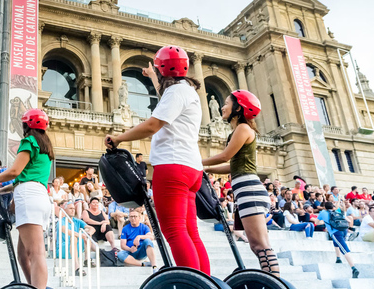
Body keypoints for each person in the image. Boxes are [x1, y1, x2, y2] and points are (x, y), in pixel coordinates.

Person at [105, 45, 210, 273]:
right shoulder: (186, 90)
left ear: (164, 70)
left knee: (173, 230)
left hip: (173, 167)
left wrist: (120, 138)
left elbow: (153, 125)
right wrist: (154, 76)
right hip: (192, 169)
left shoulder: (176, 92)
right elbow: (167, 100)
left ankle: (194, 284)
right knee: (190, 231)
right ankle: (205, 281)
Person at [203, 89, 282, 276]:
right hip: (245, 188)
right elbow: (233, 165)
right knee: (256, 246)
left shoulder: (243, 129)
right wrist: (206, 169)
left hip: (249, 190)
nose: (223, 107)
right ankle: (273, 283)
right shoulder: (240, 131)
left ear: (238, 108)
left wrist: (197, 162)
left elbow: (225, 156)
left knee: (260, 245)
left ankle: (276, 285)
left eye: (227, 103)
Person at [0, 109, 54, 289]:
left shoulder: (29, 141)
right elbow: (22, 179)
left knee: (36, 253)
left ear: (26, 125)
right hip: (40, 197)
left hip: (29, 197)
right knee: (23, 255)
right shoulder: (45, 146)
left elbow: (15, 171)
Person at [319, 201, 360, 278]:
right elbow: (348, 220)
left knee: (344, 250)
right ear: (333, 207)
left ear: (325, 207)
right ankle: (338, 258)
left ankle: (353, 268)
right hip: (343, 230)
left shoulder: (322, 213)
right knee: (336, 243)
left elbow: (317, 222)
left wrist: (325, 222)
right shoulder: (337, 212)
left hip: (335, 232)